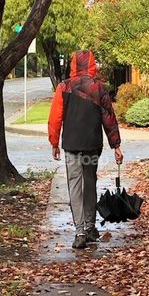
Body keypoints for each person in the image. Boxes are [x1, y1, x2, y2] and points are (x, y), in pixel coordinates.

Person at [48, 49, 123, 250]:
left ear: (73, 65)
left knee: (74, 185)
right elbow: (109, 118)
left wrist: (54, 142)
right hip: (92, 145)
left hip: (72, 146)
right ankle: (90, 227)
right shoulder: (99, 88)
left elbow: (56, 117)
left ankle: (80, 231)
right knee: (90, 183)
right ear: (91, 65)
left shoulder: (64, 87)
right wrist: (116, 145)